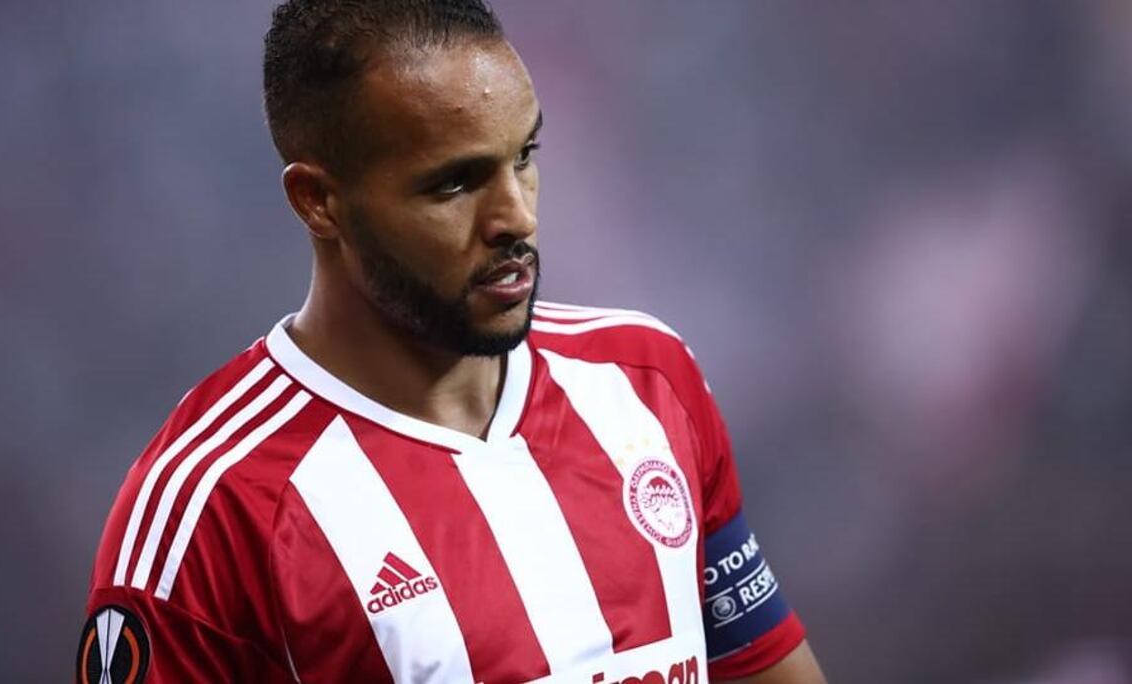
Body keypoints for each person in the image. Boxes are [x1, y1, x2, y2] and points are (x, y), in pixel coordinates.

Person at [76, 1, 827, 682]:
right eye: (455, 184)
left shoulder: (646, 379)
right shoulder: (214, 506)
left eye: (524, 157)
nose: (516, 216)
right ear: (318, 201)